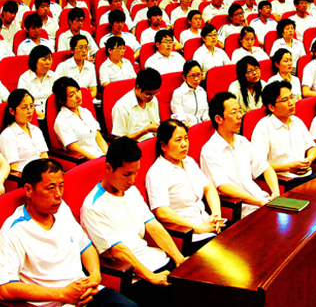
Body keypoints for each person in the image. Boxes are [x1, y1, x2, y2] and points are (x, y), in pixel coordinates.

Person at [0, 159, 139, 307]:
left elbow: (86, 247)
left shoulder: (62, 209)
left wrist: (95, 276)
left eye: (61, 186)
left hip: (87, 293)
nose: (58, 194)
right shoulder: (13, 230)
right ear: (29, 190)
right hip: (55, 302)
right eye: (50, 188)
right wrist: (62, 293)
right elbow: (5, 288)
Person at [81, 139, 185, 305]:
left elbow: (153, 226)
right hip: (134, 275)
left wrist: (178, 258)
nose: (132, 180)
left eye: (136, 173)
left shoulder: (132, 191)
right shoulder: (93, 206)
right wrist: (151, 277)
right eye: (126, 174)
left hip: (156, 260)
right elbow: (118, 251)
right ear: (108, 168)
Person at [147, 120, 226, 255]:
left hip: (209, 224)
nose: (184, 144)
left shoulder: (188, 161)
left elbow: (209, 188)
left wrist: (216, 215)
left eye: (186, 138)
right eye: (178, 140)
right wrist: (198, 228)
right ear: (163, 146)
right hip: (189, 236)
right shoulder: (157, 173)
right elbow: (162, 212)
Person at [200, 92, 279, 216]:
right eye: (233, 112)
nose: (240, 116)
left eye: (240, 111)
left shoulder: (242, 141)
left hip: (262, 201)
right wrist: (258, 202)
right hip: (241, 209)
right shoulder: (210, 150)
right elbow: (223, 187)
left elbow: (265, 168)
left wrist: (275, 192)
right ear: (218, 119)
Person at [251, 80, 316, 183]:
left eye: (292, 97)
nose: (291, 103)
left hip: (306, 175)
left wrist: (309, 159)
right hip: (284, 180)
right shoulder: (263, 128)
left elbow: (312, 147)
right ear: (271, 107)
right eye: (285, 100)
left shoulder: (296, 121)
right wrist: (288, 167)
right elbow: (258, 164)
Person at [51, 78, 106, 160]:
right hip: (85, 161)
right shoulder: (62, 121)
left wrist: (110, 159)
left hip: (101, 156)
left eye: (78, 90)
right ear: (62, 101)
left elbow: (99, 138)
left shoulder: (85, 112)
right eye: (72, 95)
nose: (78, 96)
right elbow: (75, 148)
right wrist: (99, 161)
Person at [112, 68, 162, 143]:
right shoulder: (122, 107)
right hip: (133, 145)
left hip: (153, 140)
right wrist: (144, 131)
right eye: (148, 94)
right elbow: (119, 141)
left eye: (154, 94)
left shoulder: (153, 100)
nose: (151, 97)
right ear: (138, 88)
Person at [0, 90, 43, 174]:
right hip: (24, 177)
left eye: (31, 106)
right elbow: (14, 169)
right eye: (24, 108)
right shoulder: (7, 135)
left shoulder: (36, 130)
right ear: (12, 111)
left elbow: (44, 156)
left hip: (42, 173)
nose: (30, 111)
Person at [17, 46, 57, 119]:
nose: (48, 62)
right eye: (44, 59)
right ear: (35, 61)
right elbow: (22, 103)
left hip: (52, 113)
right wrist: (39, 114)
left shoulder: (54, 76)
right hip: (32, 115)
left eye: (50, 59)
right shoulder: (24, 78)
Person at [169, 61, 207, 128]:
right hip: (186, 127)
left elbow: (205, 111)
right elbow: (179, 116)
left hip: (201, 126)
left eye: (198, 75)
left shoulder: (202, 91)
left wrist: (207, 123)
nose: (196, 79)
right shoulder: (178, 93)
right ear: (184, 77)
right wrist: (191, 128)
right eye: (192, 76)